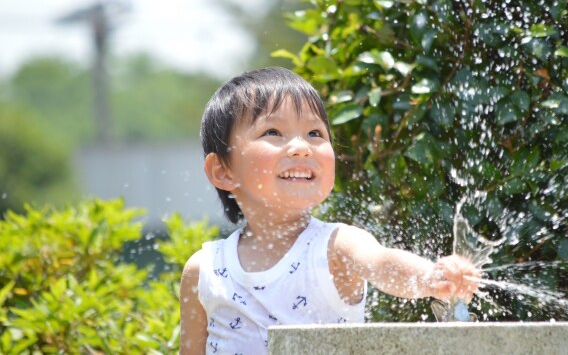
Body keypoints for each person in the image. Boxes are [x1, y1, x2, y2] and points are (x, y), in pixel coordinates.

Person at [180, 67, 480, 354]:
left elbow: (382, 263)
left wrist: (430, 276)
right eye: (273, 132)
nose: (301, 147)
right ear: (223, 171)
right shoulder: (205, 269)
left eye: (315, 133)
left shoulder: (335, 247)